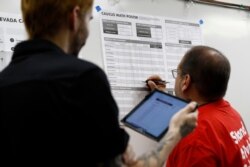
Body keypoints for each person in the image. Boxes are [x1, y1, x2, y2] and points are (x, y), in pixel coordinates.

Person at [0, 0, 198, 166]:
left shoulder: (5, 81)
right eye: (89, 19)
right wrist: (175, 132)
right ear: (75, 17)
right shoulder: (83, 78)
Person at [147, 46, 250, 167]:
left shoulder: (193, 138)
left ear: (185, 81)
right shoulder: (231, 114)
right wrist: (162, 98)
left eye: (178, 73)